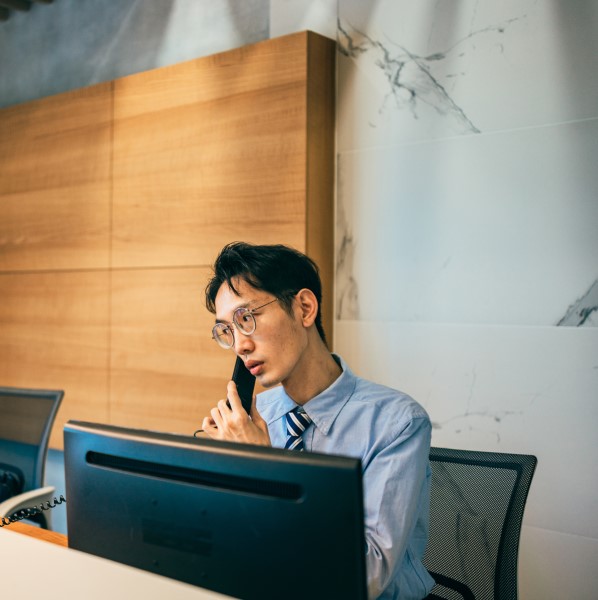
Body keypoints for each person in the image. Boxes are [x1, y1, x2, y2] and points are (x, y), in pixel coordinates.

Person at [201, 242, 435, 600]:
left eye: (246, 319)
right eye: (227, 331)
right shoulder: (250, 419)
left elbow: (364, 577)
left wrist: (262, 469)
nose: (240, 346)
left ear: (305, 308)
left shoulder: (397, 424)